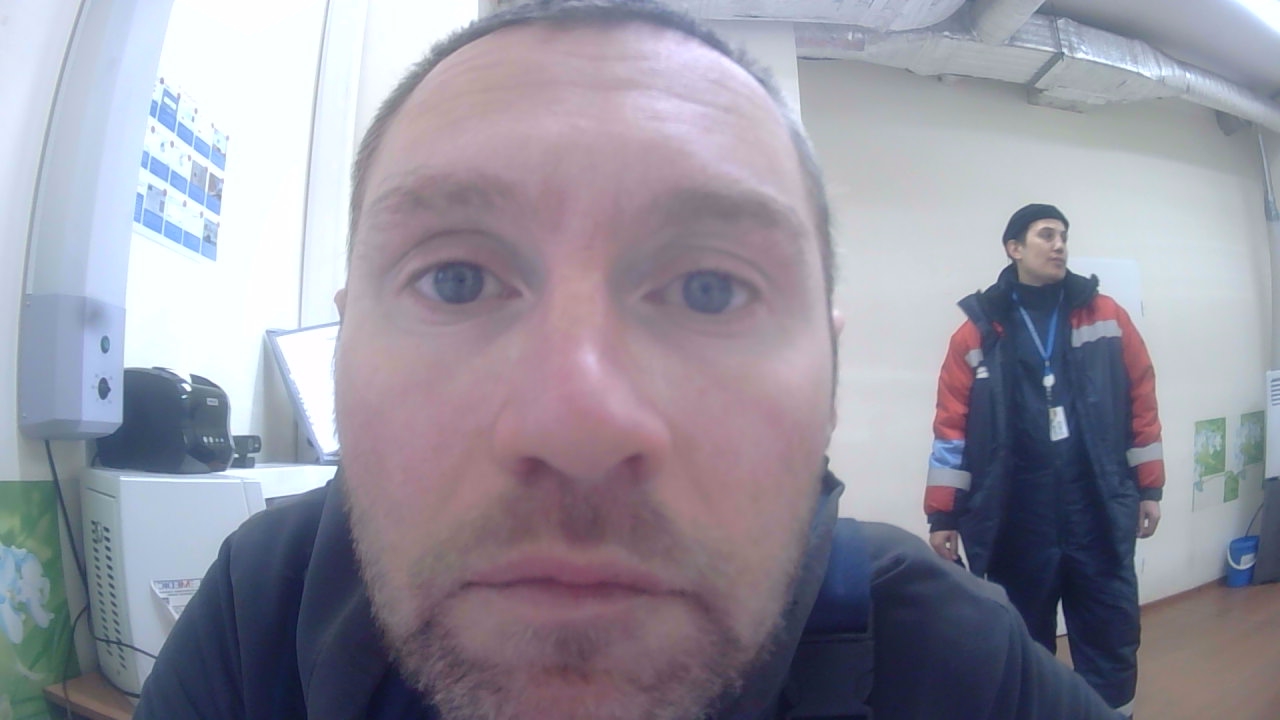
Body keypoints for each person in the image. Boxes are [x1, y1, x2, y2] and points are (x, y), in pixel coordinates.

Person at [134, 3, 1122, 719]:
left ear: (828, 374)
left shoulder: (947, 654)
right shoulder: (264, 605)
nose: (577, 423)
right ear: (346, 347)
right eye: (456, 280)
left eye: (710, 288)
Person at [924, 203, 1165, 718]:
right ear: (1014, 248)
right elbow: (951, 429)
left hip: (1097, 506)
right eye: (1046, 235)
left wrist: (1149, 487)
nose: (1059, 245)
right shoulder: (978, 331)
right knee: (1021, 639)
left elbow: (1141, 400)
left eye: (1064, 236)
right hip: (1015, 516)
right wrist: (943, 514)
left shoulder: (1106, 316)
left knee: (1111, 629)